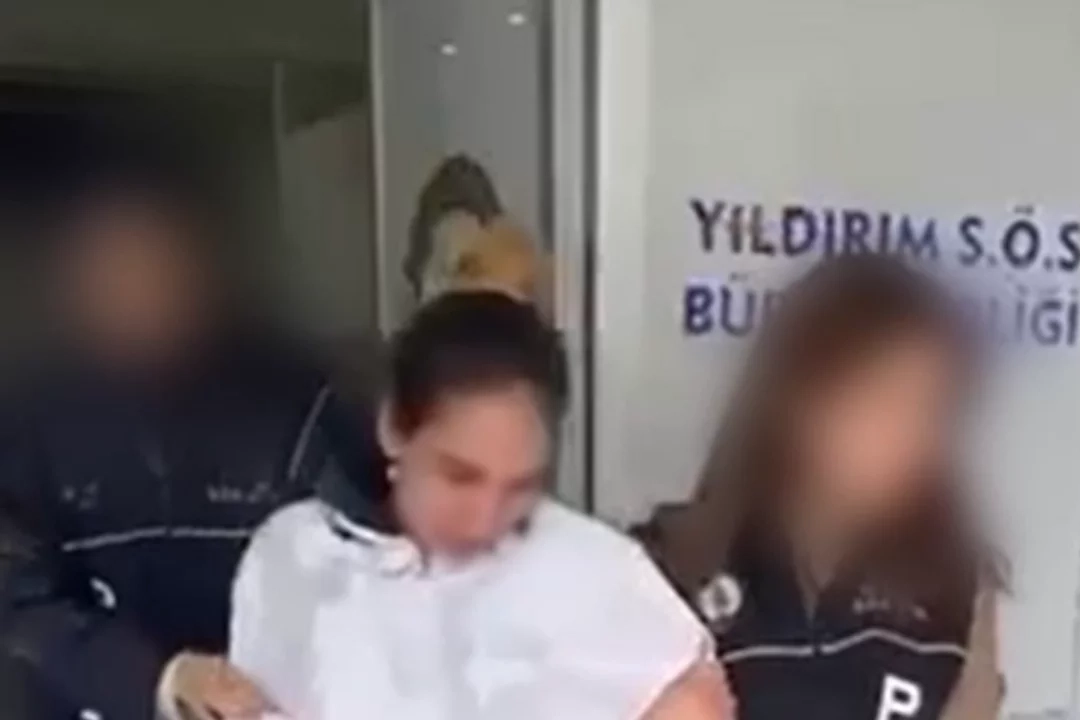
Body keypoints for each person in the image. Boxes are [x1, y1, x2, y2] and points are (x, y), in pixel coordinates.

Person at [230, 292, 734, 720]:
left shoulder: (598, 572)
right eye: (459, 477)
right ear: (393, 429)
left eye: (521, 487)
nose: (484, 521)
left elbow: (698, 698)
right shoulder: (295, 560)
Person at [0, 136, 361, 720]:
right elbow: (20, 600)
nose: (141, 295)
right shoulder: (28, 421)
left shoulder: (295, 401)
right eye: (114, 271)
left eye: (160, 265)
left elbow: (366, 563)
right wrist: (161, 679)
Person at [637, 255, 1003, 719]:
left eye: (933, 409)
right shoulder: (670, 569)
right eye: (884, 401)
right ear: (801, 403)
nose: (914, 437)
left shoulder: (953, 584)